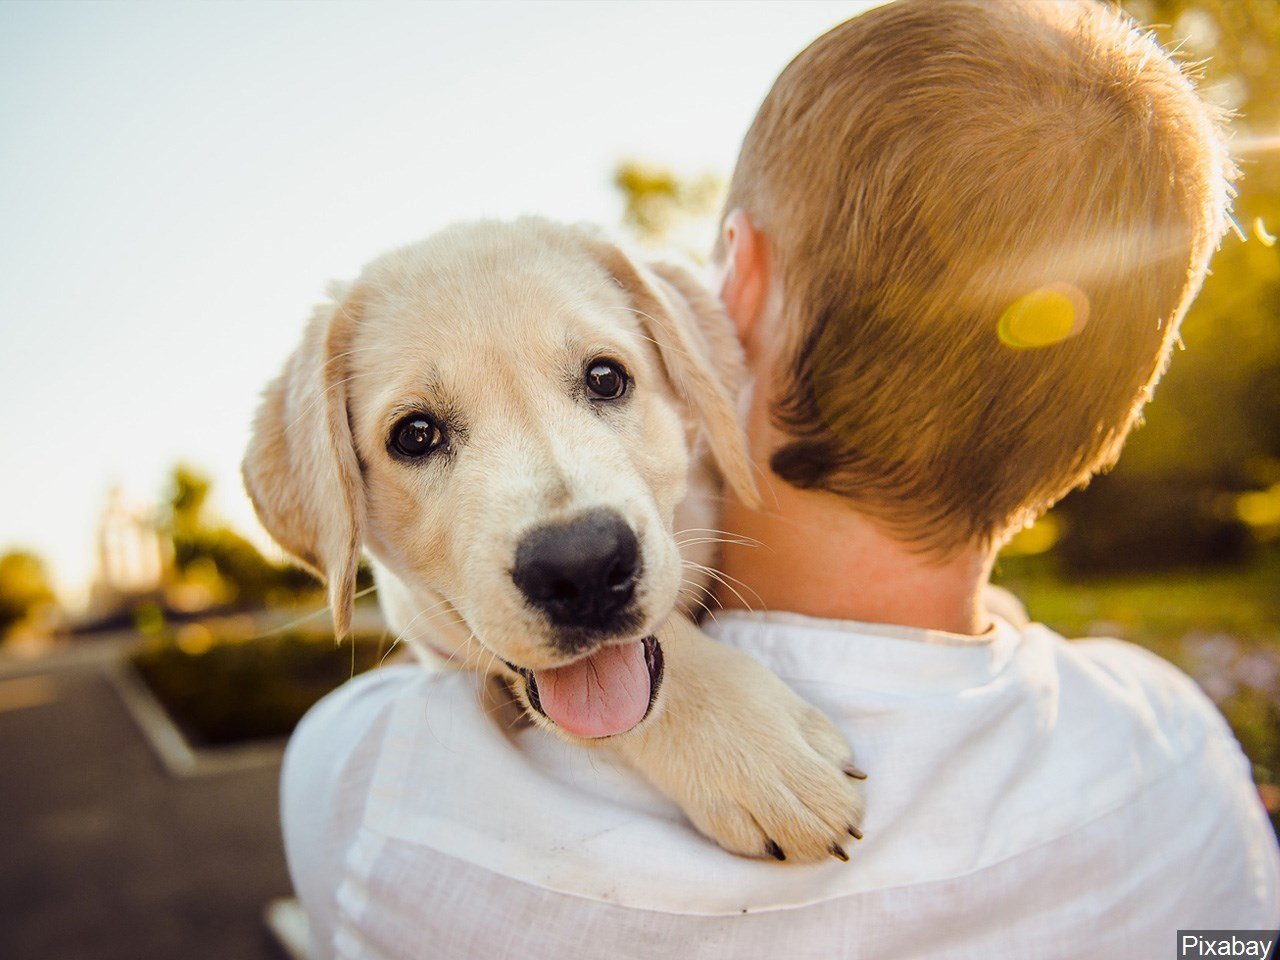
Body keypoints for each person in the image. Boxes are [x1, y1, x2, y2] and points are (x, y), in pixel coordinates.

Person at [280, 2, 1279, 957]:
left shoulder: (374, 791)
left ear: (732, 290)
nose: (569, 528)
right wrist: (677, 693)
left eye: (601, 380)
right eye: (418, 433)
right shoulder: (1179, 760)